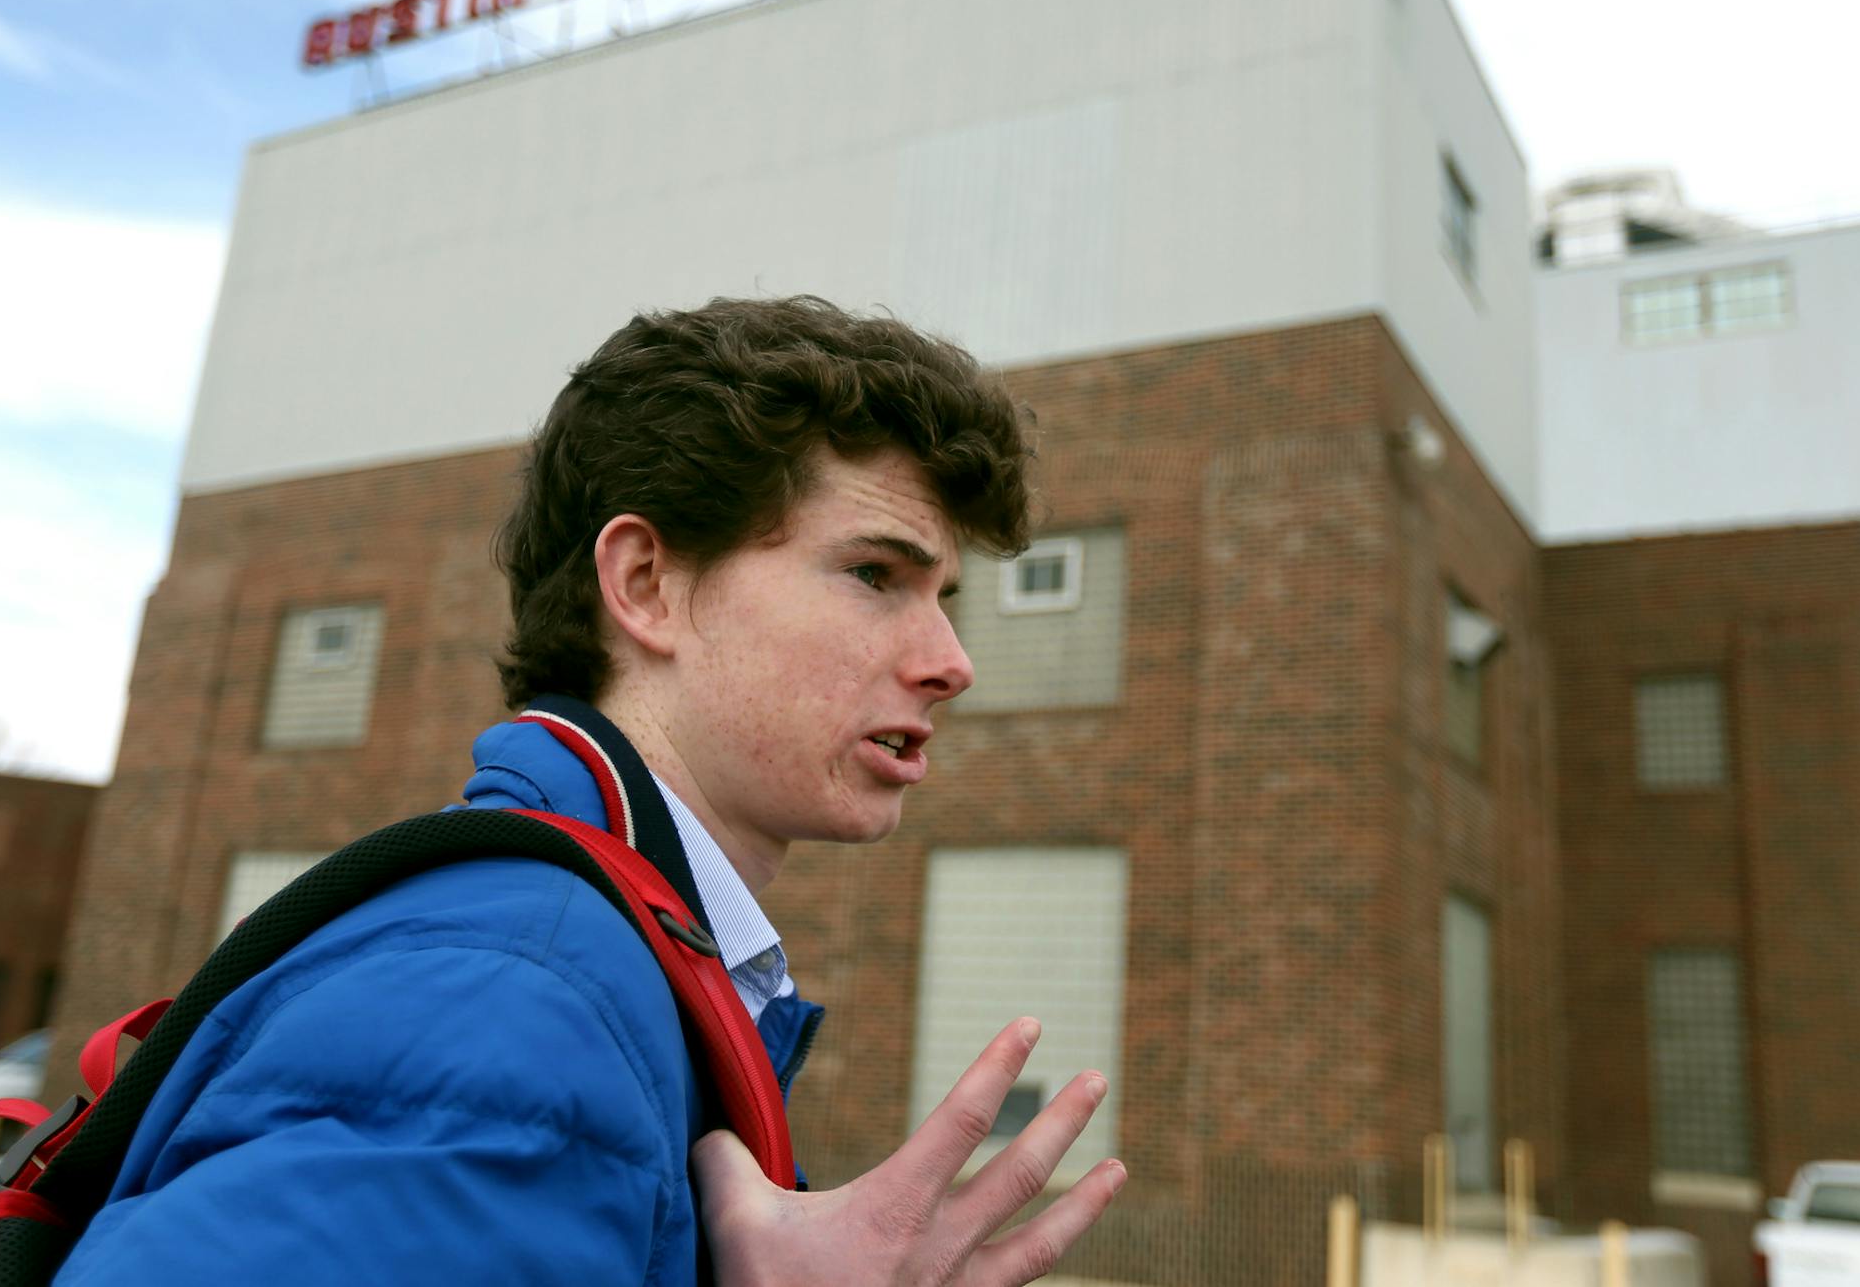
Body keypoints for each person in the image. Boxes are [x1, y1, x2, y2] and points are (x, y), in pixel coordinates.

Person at [56, 296, 1125, 1285]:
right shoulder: (514, 999)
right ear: (646, 586)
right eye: (874, 577)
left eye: (944, 596)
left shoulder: (583, 954)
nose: (952, 659)